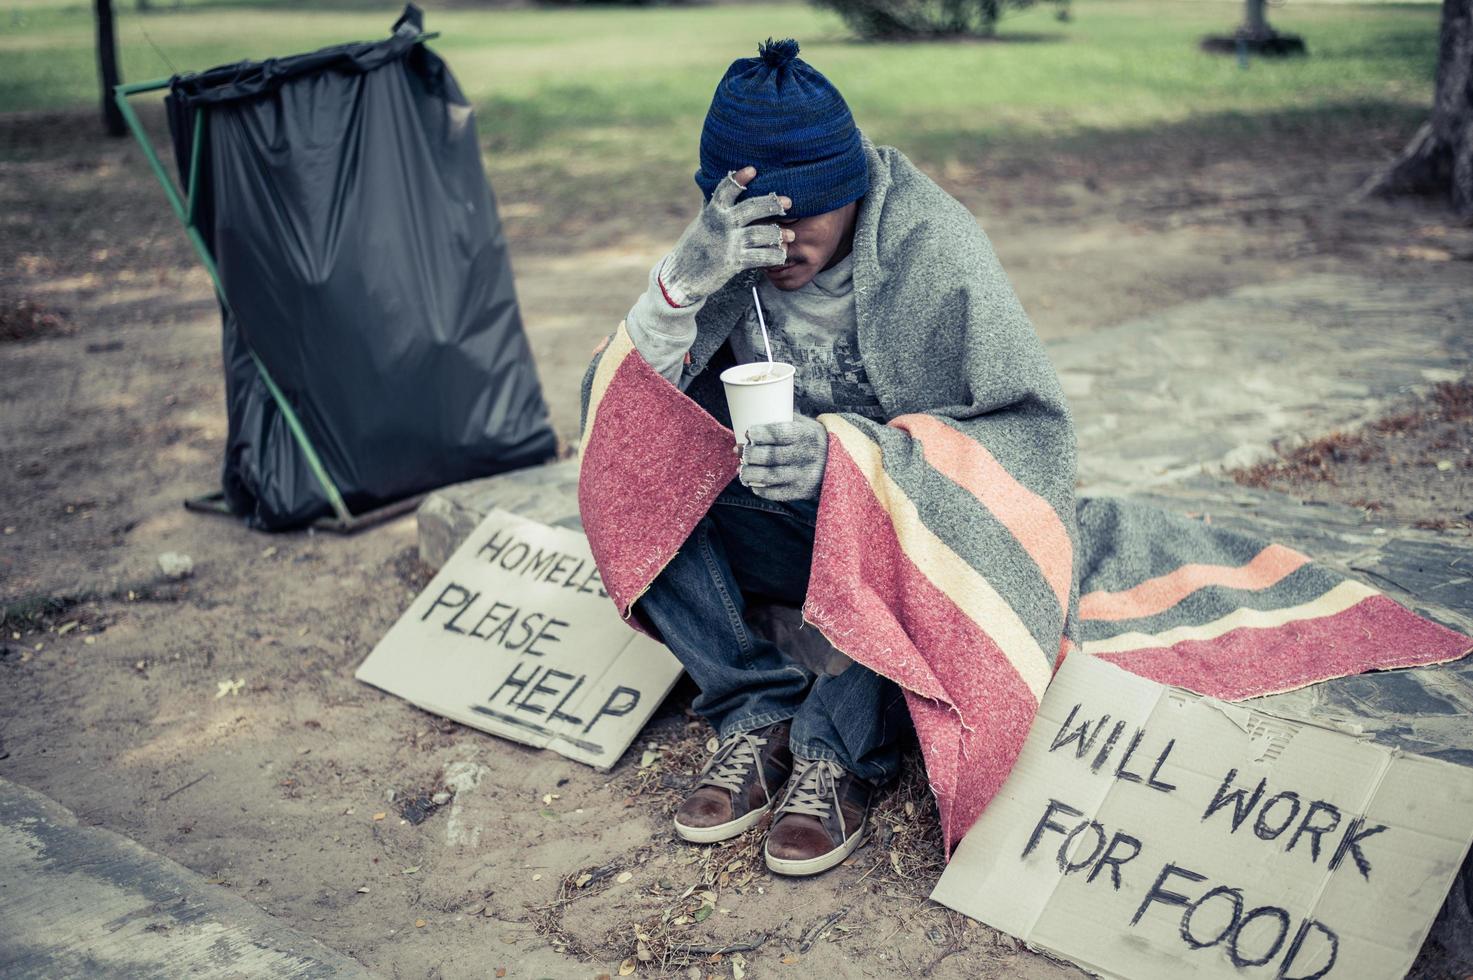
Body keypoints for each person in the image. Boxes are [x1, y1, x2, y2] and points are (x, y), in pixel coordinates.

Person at [582, 37, 1046, 877]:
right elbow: (607, 417)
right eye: (766, 222)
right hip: (782, 525)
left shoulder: (932, 249)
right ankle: (754, 707)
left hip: (907, 536)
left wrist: (847, 460)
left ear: (853, 191)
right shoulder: (728, 252)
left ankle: (837, 751)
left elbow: (1025, 439)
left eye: (806, 218)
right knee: (631, 464)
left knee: (875, 506)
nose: (785, 244)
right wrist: (677, 287)